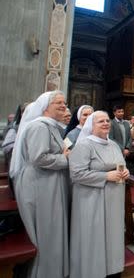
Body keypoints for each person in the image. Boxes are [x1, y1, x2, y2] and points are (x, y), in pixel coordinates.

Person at [9, 91, 71, 278]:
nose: (63, 105)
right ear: (45, 107)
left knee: (51, 230)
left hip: (48, 182)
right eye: (58, 103)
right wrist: (66, 158)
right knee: (46, 231)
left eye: (64, 102)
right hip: (39, 183)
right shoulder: (39, 127)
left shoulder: (50, 126)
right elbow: (39, 158)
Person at [69, 111, 129, 278]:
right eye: (100, 121)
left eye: (107, 121)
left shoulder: (113, 145)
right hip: (91, 200)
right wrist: (105, 176)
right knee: (93, 238)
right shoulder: (84, 145)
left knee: (113, 237)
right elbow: (76, 174)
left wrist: (126, 173)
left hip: (114, 200)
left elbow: (121, 165)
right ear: (91, 125)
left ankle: (112, 270)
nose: (105, 123)